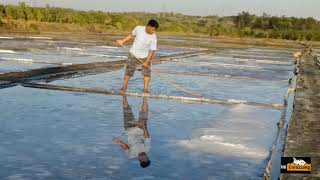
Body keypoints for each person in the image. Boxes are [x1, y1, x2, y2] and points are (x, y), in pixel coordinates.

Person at [116, 19, 159, 93]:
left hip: (145, 56)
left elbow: (152, 51)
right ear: (148, 26)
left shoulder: (153, 37)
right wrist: (122, 41)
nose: (153, 31)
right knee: (128, 71)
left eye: (155, 30)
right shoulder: (138, 28)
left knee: (147, 73)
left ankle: (145, 90)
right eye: (153, 29)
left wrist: (147, 61)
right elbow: (131, 35)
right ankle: (123, 88)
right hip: (133, 53)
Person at [113, 95, 151, 168]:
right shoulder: (147, 149)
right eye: (146, 158)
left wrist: (119, 142)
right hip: (141, 128)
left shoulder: (131, 155)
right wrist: (143, 126)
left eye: (143, 159)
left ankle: (124, 94)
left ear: (139, 160)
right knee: (144, 112)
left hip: (129, 129)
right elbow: (147, 137)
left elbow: (126, 147)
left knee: (126, 110)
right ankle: (145, 96)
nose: (144, 157)